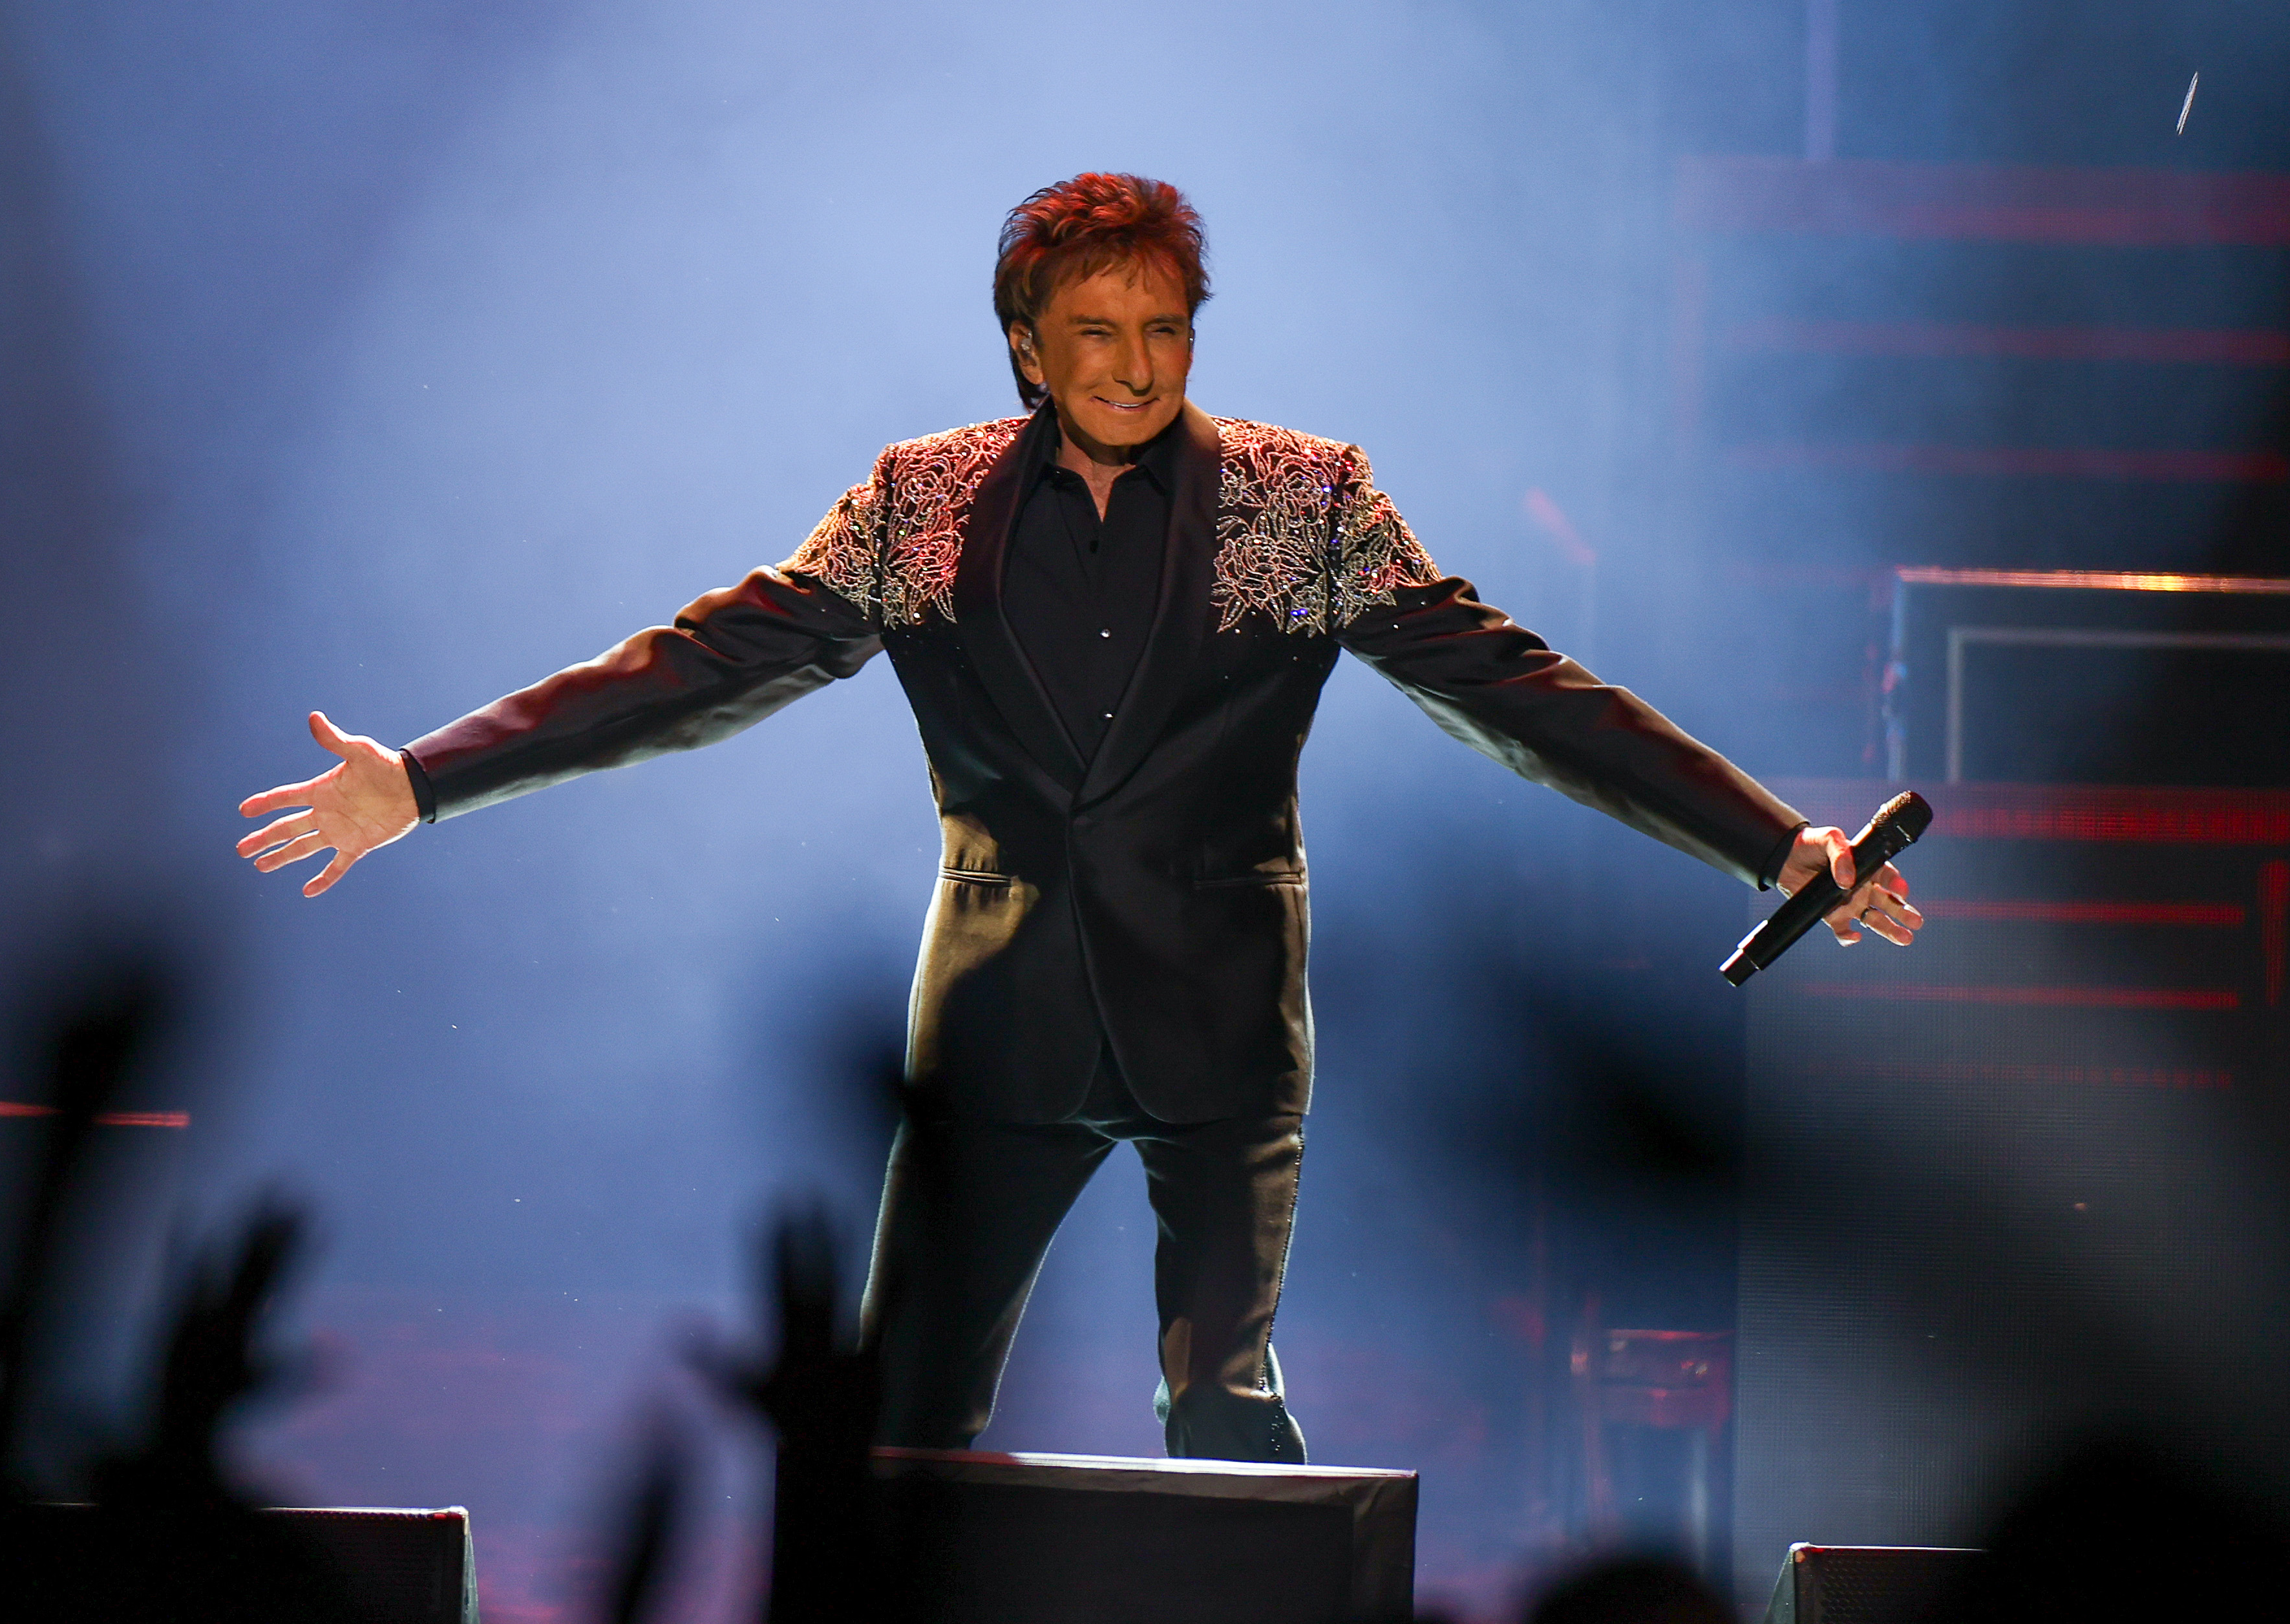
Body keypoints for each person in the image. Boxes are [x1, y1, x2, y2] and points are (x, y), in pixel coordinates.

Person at [233, 173, 1921, 1464]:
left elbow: (1521, 689)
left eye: (1165, 328)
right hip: (998, 1020)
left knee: (1224, 1410)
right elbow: (700, 665)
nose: (1134, 364)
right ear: (1026, 344)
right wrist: (425, 778)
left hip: (1224, 1015)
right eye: (1096, 332)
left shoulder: (1303, 499)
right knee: (906, 1412)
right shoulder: (921, 502)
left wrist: (1772, 841)